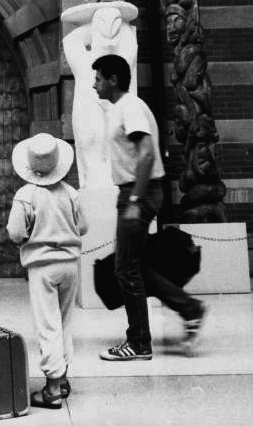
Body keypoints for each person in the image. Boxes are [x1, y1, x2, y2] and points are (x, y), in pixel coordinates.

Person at [92, 54, 207, 360]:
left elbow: (145, 156)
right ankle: (189, 308)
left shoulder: (130, 108)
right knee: (136, 267)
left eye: (98, 78)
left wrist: (133, 200)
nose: (94, 85)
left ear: (113, 80)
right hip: (137, 192)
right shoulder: (122, 109)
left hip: (137, 193)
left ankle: (139, 343)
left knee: (125, 269)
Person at [7, 133, 87, 409]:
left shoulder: (26, 195)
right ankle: (63, 378)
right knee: (64, 323)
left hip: (42, 267)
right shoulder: (71, 193)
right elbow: (84, 227)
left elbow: (15, 232)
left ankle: (52, 387)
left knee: (47, 325)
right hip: (70, 265)